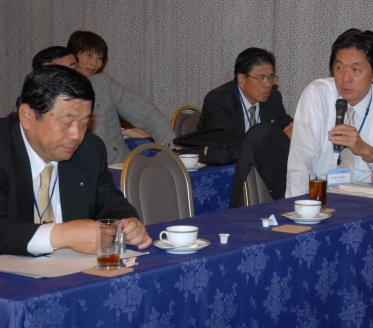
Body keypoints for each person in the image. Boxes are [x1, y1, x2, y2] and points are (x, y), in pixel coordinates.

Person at [0, 66, 151, 257]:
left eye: (84, 123)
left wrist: (127, 223)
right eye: (66, 122)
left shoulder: (89, 150)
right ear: (27, 116)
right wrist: (62, 235)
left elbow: (109, 202)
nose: (77, 135)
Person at [286, 28, 373, 197]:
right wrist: (301, 206)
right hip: (322, 196)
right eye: (339, 68)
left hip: (371, 200)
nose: (345, 78)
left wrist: (365, 150)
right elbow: (300, 164)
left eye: (355, 70)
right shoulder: (316, 95)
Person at [67, 30, 176, 164]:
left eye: (100, 58)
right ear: (73, 55)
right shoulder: (55, 90)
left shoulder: (103, 83)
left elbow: (146, 113)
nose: (94, 63)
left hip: (115, 163)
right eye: (89, 55)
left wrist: (171, 151)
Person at [197, 47, 293, 136]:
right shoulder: (218, 101)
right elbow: (228, 142)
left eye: (270, 77)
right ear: (241, 80)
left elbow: (289, 127)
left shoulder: (273, 98)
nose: (268, 84)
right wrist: (280, 139)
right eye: (260, 77)